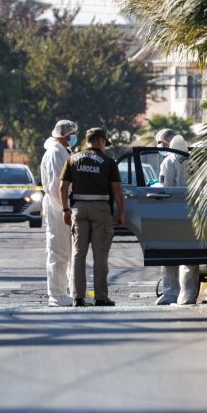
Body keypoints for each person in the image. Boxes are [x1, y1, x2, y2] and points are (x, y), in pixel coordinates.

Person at [59, 127, 125, 307]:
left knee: (78, 254)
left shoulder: (73, 159)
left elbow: (63, 187)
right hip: (101, 210)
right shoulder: (108, 162)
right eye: (105, 143)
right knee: (100, 255)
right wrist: (121, 212)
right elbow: (117, 189)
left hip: (79, 209)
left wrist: (65, 210)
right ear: (101, 141)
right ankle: (101, 297)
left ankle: (77, 297)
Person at [154, 130, 200, 305]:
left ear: (168, 141)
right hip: (193, 211)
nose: (159, 147)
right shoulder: (194, 160)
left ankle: (170, 293)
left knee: (169, 253)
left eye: (160, 143)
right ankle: (188, 295)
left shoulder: (169, 161)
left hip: (172, 212)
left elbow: (165, 187)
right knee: (190, 254)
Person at [40, 119, 79, 307]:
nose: (74, 137)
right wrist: (65, 208)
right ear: (65, 136)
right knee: (58, 251)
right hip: (58, 207)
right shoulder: (56, 153)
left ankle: (74, 291)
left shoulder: (63, 151)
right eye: (72, 134)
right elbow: (57, 186)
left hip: (63, 205)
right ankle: (57, 294)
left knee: (70, 252)